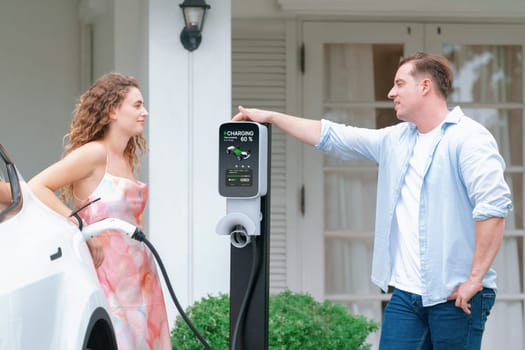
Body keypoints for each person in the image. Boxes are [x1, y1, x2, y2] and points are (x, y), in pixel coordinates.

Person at [232, 52, 512, 350]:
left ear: (425, 86)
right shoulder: (395, 140)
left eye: (399, 83)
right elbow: (332, 135)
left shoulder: (468, 139)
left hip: (455, 295)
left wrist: (474, 280)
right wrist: (272, 117)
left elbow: (493, 209)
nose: (391, 92)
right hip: (406, 295)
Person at [29, 72, 171, 350]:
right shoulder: (94, 154)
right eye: (137, 105)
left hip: (141, 278)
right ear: (113, 110)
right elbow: (37, 187)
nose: (145, 112)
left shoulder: (126, 156)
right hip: (108, 275)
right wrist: (79, 225)